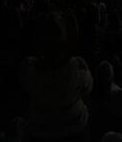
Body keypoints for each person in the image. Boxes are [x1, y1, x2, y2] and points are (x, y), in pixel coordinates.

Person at [20, 13, 94, 142]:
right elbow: (88, 87)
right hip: (75, 130)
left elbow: (24, 88)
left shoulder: (29, 67)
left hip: (40, 130)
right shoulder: (76, 67)